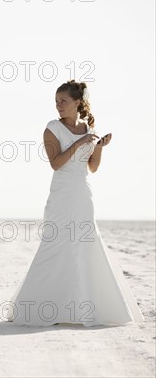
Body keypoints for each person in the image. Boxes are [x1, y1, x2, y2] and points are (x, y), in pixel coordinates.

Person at [7, 80, 144, 326]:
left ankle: (84, 307)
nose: (59, 106)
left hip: (83, 192)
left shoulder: (88, 126)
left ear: (77, 102)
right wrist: (80, 143)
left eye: (64, 101)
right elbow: (56, 163)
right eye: (56, 101)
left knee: (85, 243)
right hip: (61, 193)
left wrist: (99, 147)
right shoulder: (52, 128)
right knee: (56, 243)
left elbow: (91, 167)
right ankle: (43, 308)